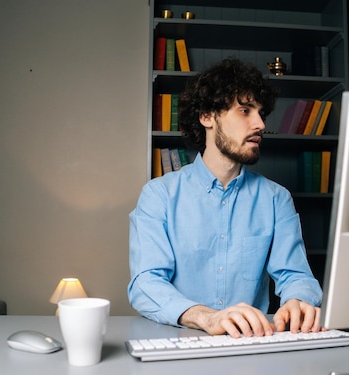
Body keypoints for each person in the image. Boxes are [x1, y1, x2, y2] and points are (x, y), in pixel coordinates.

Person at [128, 58, 323, 338]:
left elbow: (296, 276)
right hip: (177, 345)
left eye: (261, 113)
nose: (259, 124)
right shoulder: (159, 195)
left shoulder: (276, 199)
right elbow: (146, 282)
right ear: (207, 116)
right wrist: (207, 317)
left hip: (252, 349)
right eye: (244, 110)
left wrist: (298, 302)